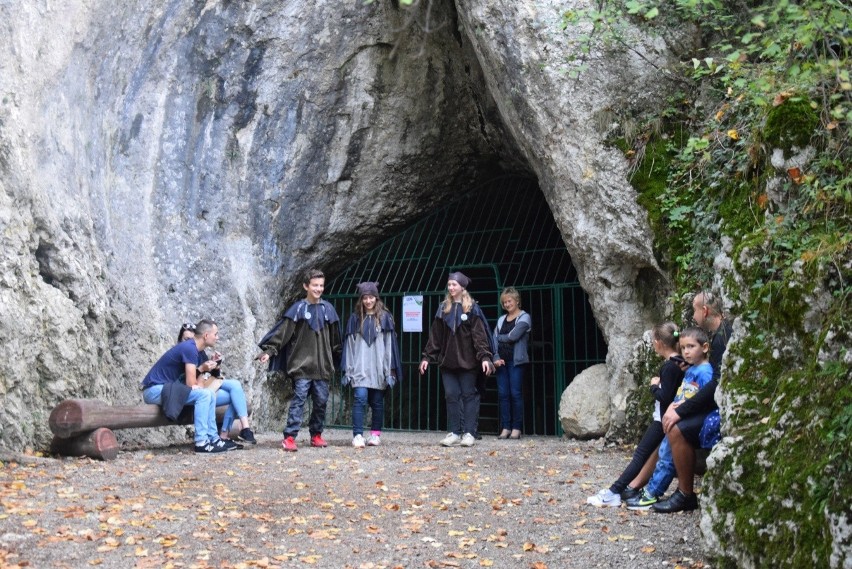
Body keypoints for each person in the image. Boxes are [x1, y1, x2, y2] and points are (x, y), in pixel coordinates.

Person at [587, 322, 684, 507]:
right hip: (667, 418)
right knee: (647, 455)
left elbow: (665, 397)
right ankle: (627, 488)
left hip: (662, 419)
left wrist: (654, 386)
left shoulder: (670, 366)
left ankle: (614, 492)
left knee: (640, 455)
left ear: (658, 343)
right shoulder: (681, 362)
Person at [653, 291, 732, 513]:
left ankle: (685, 494)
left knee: (676, 428)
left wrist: (681, 410)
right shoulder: (720, 334)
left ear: (704, 310)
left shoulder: (722, 337)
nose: (694, 315)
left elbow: (715, 384)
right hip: (715, 402)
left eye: (695, 310)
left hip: (717, 407)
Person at [626, 325, 714, 510]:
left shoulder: (705, 372)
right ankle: (651, 491)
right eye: (683, 348)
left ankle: (652, 493)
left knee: (666, 458)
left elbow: (705, 400)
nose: (686, 352)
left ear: (704, 348)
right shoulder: (691, 369)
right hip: (677, 420)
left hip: (685, 422)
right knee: (664, 455)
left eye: (691, 347)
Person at [257, 268, 342, 452]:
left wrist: (341, 357)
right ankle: (289, 437)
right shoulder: (298, 309)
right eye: (315, 285)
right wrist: (270, 351)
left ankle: (316, 435)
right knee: (299, 400)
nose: (318, 289)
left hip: (322, 368)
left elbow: (336, 340)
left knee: (321, 402)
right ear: (306, 286)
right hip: (301, 366)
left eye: (321, 285)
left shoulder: (328, 310)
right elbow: (283, 333)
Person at [419, 271, 494, 447]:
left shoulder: (472, 308)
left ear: (462, 287)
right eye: (449, 284)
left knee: (468, 395)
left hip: (468, 362)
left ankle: (469, 433)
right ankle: (454, 432)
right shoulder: (443, 307)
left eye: (454, 284)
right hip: (448, 362)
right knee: (451, 395)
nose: (451, 287)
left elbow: (479, 336)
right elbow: (435, 336)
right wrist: (427, 357)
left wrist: (484, 356)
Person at [141, 319, 239, 453]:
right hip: (154, 390)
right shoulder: (190, 348)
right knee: (205, 395)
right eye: (215, 334)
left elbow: (198, 384)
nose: (217, 337)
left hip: (172, 390)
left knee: (208, 393)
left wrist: (209, 368)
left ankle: (214, 439)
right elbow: (190, 384)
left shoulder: (197, 351)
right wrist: (202, 369)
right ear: (206, 335)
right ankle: (201, 442)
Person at [340, 282, 403, 448]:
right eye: (365, 298)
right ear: (361, 300)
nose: (368, 301)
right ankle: (358, 435)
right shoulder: (355, 319)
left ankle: (375, 434)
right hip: (359, 368)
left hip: (378, 368)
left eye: (371, 297)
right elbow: (350, 345)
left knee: (377, 402)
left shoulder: (385, 318)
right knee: (359, 399)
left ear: (376, 298)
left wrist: (390, 371)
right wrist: (348, 369)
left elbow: (389, 345)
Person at [177, 324, 256, 445]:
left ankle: (233, 432)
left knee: (235, 389)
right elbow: (191, 383)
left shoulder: (200, 352)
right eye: (186, 339)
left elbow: (209, 377)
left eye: (192, 339)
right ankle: (229, 433)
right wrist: (203, 369)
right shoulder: (182, 352)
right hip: (191, 395)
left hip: (205, 388)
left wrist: (215, 364)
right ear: (180, 339)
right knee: (234, 392)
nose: (190, 342)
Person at [492, 287, 532, 440]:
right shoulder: (501, 319)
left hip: (516, 361)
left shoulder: (524, 317)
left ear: (517, 300)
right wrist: (495, 357)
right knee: (503, 395)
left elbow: (513, 336)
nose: (507, 304)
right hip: (501, 362)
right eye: (504, 302)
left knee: (515, 394)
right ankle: (506, 427)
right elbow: (492, 339)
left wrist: (499, 337)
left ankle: (516, 428)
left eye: (509, 301)